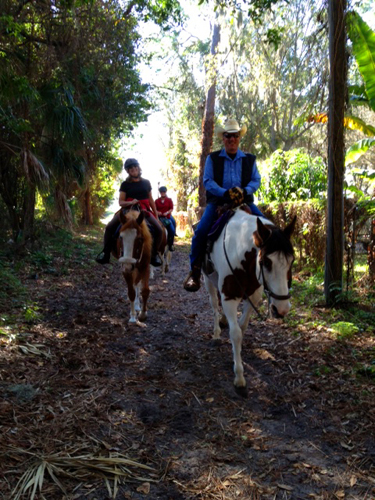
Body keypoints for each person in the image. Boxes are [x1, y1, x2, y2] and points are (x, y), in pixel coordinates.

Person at [183, 118, 264, 292]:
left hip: (244, 201)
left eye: (235, 136)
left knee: (268, 229)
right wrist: (225, 193)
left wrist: (244, 191)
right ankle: (195, 272)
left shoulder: (250, 159)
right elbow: (208, 181)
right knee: (201, 231)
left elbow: (256, 180)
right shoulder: (213, 158)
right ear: (223, 138)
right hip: (218, 202)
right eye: (228, 136)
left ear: (239, 137)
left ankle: (268, 273)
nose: (231, 139)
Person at [96, 158, 163, 267]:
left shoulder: (146, 183)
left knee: (159, 230)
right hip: (127, 210)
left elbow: (151, 200)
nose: (133, 169)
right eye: (130, 168)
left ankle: (154, 255)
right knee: (109, 227)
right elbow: (121, 202)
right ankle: (106, 253)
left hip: (144, 211)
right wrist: (131, 202)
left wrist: (155, 215)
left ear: (138, 168)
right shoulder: (125, 184)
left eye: (135, 167)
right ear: (128, 171)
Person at [155, 186, 176, 251]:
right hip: (159, 218)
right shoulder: (156, 201)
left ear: (165, 192)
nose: (162, 193)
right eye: (161, 192)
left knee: (172, 229)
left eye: (163, 192)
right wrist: (158, 212)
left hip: (167, 217)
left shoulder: (169, 200)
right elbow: (154, 209)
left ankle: (171, 244)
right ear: (160, 193)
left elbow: (171, 208)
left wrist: (166, 213)